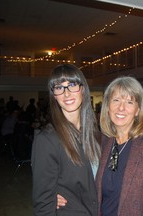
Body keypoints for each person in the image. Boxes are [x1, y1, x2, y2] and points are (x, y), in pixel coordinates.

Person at [58, 76, 143, 215]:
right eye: (116, 100)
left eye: (129, 102)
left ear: (138, 110)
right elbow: (85, 181)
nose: (121, 108)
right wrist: (60, 193)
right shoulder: (104, 141)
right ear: (107, 106)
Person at [31, 64, 101, 216]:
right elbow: (43, 204)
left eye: (72, 85)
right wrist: (51, 197)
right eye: (59, 87)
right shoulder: (47, 140)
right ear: (54, 95)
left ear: (82, 89)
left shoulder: (95, 134)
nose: (66, 93)